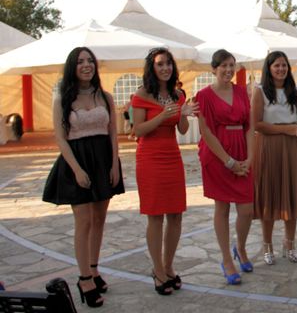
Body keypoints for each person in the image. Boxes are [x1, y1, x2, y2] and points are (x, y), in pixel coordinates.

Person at [43, 47, 125, 308]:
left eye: (90, 61)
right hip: (76, 161)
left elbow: (113, 133)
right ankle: (84, 279)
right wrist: (77, 170)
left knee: (99, 219)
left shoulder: (106, 96)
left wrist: (114, 164)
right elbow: (60, 137)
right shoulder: (62, 99)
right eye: (81, 62)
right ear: (72, 66)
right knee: (85, 220)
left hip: (103, 161)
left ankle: (94, 268)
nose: (87, 65)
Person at [132, 47, 198, 296]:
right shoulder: (141, 95)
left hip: (172, 157)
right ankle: (157, 270)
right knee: (155, 216)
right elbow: (138, 130)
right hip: (149, 158)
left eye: (169, 64)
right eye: (160, 64)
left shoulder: (178, 94)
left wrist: (183, 113)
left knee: (176, 215)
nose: (165, 68)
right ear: (152, 67)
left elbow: (181, 130)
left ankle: (169, 266)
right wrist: (162, 116)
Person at [251, 51, 297, 265]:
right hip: (269, 147)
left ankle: (289, 244)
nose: (281, 69)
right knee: (270, 197)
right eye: (276, 65)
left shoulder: (296, 91)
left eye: (284, 65)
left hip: (293, 148)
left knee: (291, 195)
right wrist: (289, 129)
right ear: (269, 68)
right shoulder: (260, 91)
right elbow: (257, 125)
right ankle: (267, 246)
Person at [195, 49, 254, 286]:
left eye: (232, 65)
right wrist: (228, 162)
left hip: (242, 148)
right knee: (222, 208)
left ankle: (239, 247)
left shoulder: (242, 92)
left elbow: (250, 126)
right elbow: (206, 131)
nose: (228, 70)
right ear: (214, 68)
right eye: (223, 66)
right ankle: (227, 260)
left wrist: (249, 158)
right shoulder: (203, 96)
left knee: (247, 209)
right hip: (217, 155)